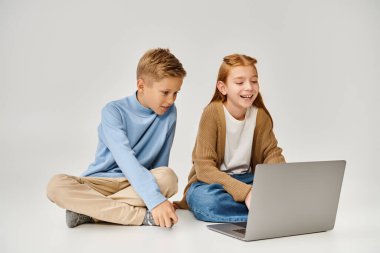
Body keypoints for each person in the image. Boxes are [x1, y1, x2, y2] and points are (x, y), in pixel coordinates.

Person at [47, 48, 186, 228]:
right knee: (55, 185)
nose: (171, 100)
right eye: (165, 92)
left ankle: (88, 211)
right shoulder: (113, 111)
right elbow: (124, 157)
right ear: (141, 86)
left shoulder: (170, 113)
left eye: (176, 93)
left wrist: (159, 195)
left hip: (136, 184)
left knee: (168, 178)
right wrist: (154, 200)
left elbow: (160, 164)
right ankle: (141, 217)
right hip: (102, 182)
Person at [174, 54, 285, 222]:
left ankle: (263, 205)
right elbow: (204, 169)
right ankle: (267, 209)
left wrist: (280, 179)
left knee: (285, 189)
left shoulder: (260, 116)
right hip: (211, 183)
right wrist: (246, 193)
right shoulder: (212, 113)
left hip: (247, 179)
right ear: (223, 88)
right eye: (240, 82)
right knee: (206, 200)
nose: (249, 87)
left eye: (254, 81)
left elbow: (271, 153)